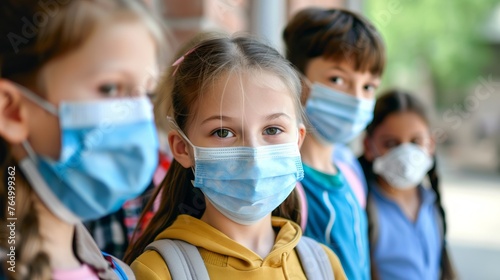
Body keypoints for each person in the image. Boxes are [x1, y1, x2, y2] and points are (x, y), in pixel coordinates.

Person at [124, 33, 347, 280]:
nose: (254, 155)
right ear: (182, 148)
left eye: (272, 130)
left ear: (297, 140)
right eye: (223, 132)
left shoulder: (324, 266)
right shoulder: (156, 272)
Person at [0, 0, 164, 278]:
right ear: (12, 112)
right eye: (110, 88)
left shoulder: (120, 273)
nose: (137, 114)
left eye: (147, 93)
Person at [283, 7, 386, 280]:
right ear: (297, 79)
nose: (356, 99)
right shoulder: (283, 184)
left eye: (368, 87)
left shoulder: (350, 169)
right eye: (337, 79)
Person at [359, 90, 457, 280]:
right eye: (391, 143)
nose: (405, 154)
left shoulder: (431, 202)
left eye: (415, 142)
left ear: (430, 144)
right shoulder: (362, 207)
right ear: (368, 146)